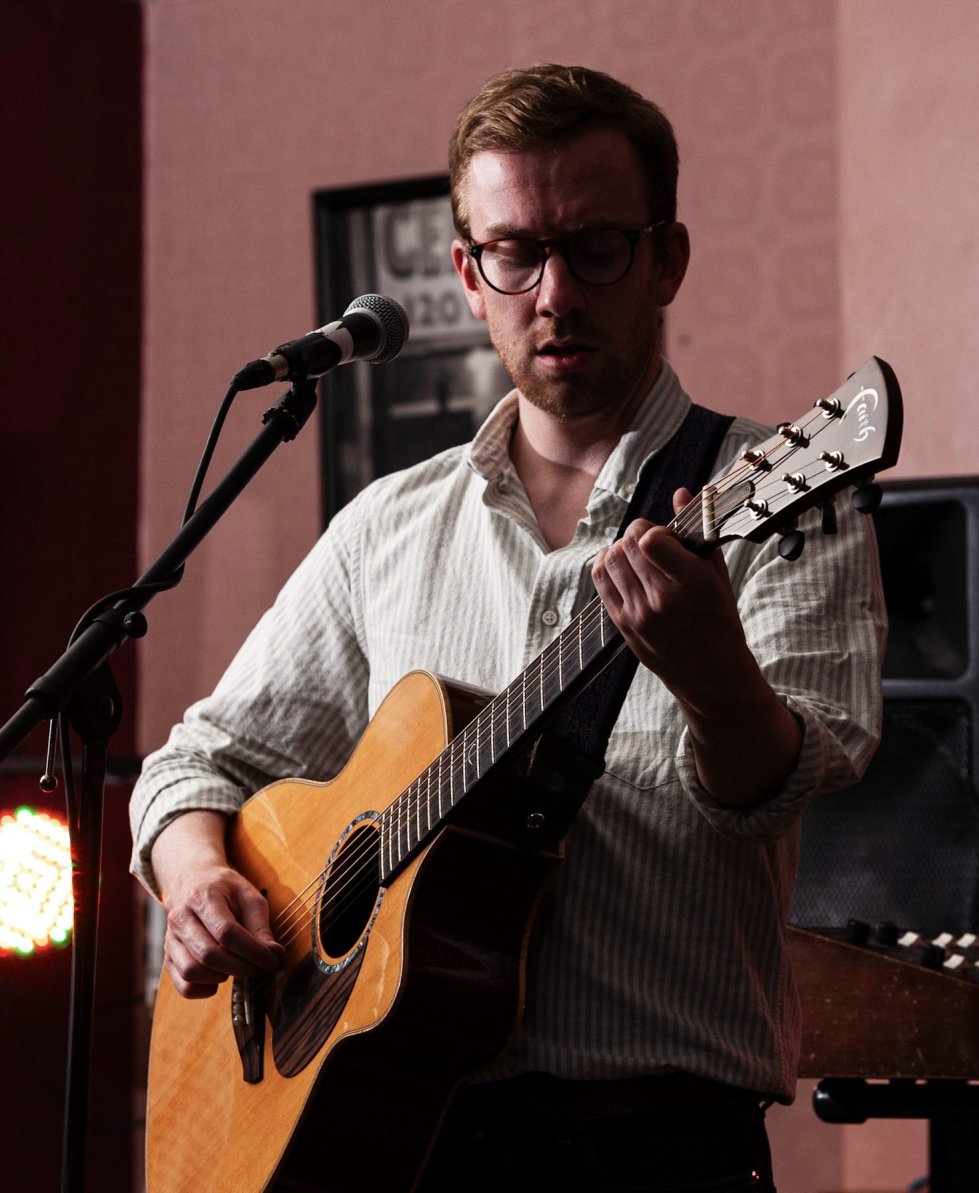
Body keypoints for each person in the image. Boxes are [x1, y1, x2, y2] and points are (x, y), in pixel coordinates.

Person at [130, 63, 887, 1192]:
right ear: (466, 275)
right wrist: (196, 878)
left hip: (656, 1140)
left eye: (595, 248)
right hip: (398, 1141)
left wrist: (715, 678)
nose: (554, 293)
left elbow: (783, 786)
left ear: (665, 258)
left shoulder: (777, 491)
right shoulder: (386, 525)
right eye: (515, 253)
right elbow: (195, 762)